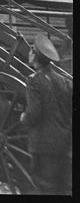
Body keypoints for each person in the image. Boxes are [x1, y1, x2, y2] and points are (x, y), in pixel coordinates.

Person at [20, 34, 72, 195]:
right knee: (63, 189)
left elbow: (34, 113)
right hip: (64, 146)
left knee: (45, 188)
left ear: (34, 57)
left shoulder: (34, 81)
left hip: (43, 147)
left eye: (31, 51)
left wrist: (24, 118)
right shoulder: (65, 82)